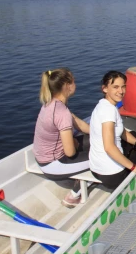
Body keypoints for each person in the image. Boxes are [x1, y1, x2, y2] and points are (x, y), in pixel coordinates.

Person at [33, 68, 92, 208]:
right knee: (107, 156)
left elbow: (81, 125)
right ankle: (73, 195)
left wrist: (104, 134)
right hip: (54, 165)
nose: (76, 85)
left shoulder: (51, 103)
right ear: (67, 85)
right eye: (74, 82)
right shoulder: (61, 112)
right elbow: (70, 152)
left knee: (97, 141)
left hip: (44, 158)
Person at [89, 70, 136, 190]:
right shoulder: (109, 111)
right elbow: (109, 147)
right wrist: (134, 167)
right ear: (105, 89)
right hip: (113, 175)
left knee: (133, 135)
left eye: (123, 87)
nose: (121, 91)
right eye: (115, 87)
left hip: (95, 169)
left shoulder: (102, 105)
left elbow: (121, 131)